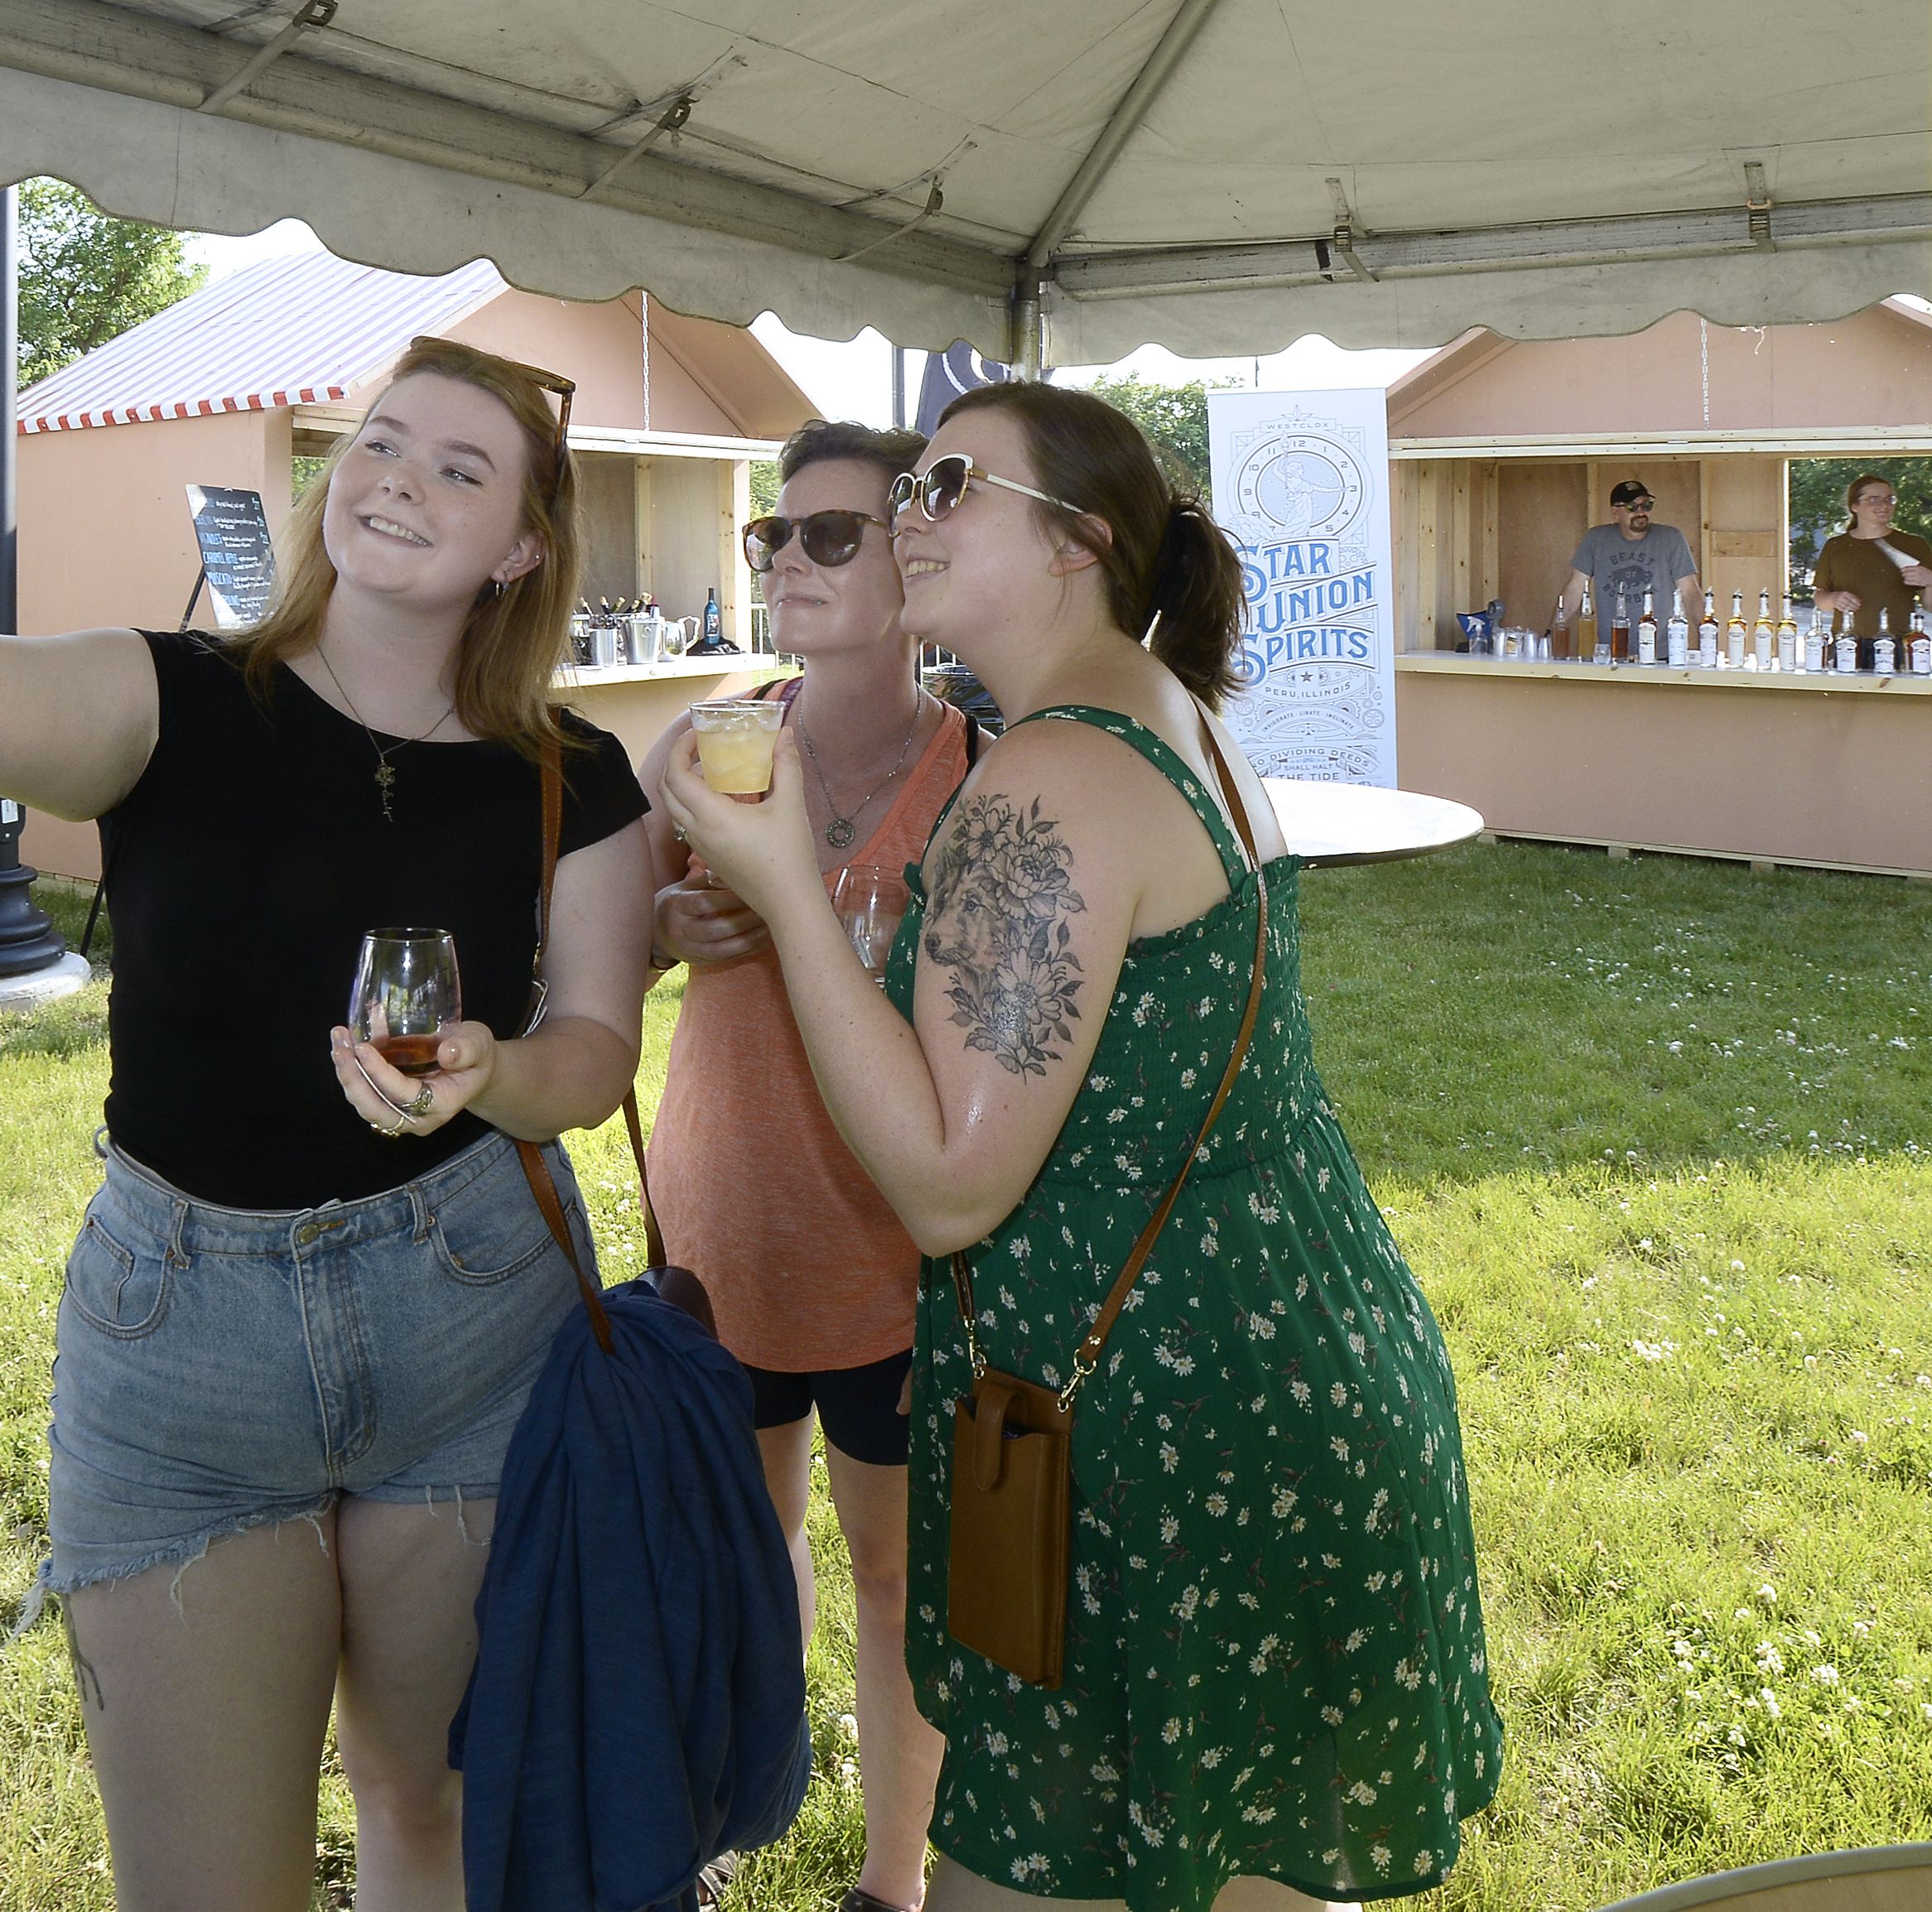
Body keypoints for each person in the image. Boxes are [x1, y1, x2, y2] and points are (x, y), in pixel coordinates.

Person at [0, 229, 653, 1912]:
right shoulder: (164, 699)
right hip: (184, 1339)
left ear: (523, 545)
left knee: (434, 1816)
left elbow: (593, 1056)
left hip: (474, 1315)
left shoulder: (576, 775)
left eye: (460, 467)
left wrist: (489, 1078)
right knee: (204, 1884)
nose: (396, 478)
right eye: (377, 440)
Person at [662, 384, 1501, 1912]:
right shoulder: (1173, 719)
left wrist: (786, 886)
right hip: (1284, 1370)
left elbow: (944, 1177)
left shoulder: (1044, 770)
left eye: (951, 486)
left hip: (1159, 1428)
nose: (910, 517)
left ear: (1078, 542)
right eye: (904, 490)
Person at [639, 419, 976, 1912]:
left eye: (829, 534)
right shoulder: (710, 746)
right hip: (723, 1220)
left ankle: (891, 1884)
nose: (786, 556)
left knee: (896, 1575)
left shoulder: (982, 777)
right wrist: (670, 929)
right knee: (737, 1553)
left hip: (896, 1251)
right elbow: (613, 942)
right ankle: (724, 1820)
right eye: (777, 533)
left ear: (913, 565)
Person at [1556, 479, 1703, 644]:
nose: (1641, 512)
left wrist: (1707, 636)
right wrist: (1551, 632)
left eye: (1646, 506)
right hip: (1613, 650)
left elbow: (1690, 591)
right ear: (1615, 512)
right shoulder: (1596, 539)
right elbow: (1575, 588)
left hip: (1662, 653)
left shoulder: (1670, 538)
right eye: (1632, 507)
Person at [1812, 473, 1932, 648]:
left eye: (1889, 499)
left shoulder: (1914, 544)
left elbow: (1930, 606)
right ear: (1855, 506)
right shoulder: (1836, 546)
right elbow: (1820, 597)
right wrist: (1834, 599)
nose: (1884, 505)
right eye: (1874, 499)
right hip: (1847, 642)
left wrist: (1930, 580)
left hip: (1897, 644)